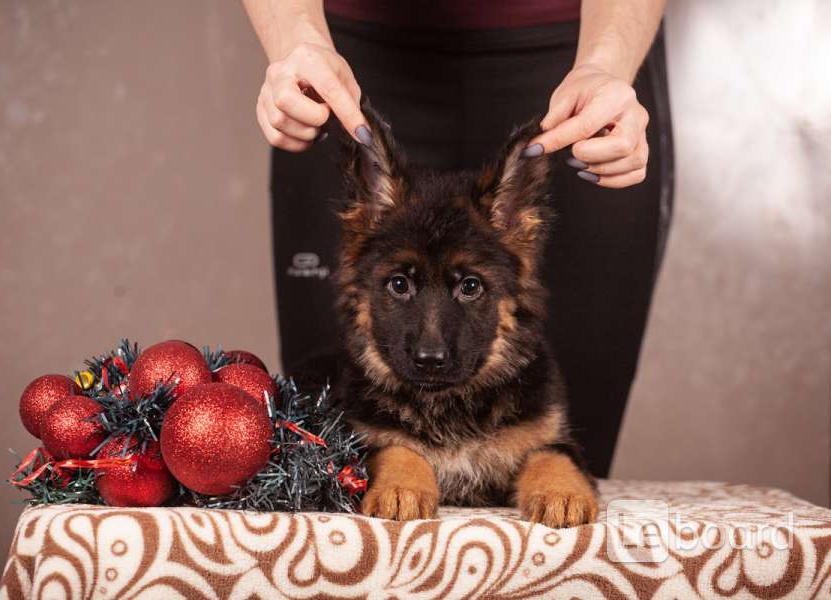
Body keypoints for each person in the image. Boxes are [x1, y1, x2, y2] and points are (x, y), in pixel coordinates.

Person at [243, 0, 674, 478]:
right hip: (347, 66)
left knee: (563, 485)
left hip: (572, 65)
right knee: (331, 472)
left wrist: (605, 64)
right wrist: (295, 39)